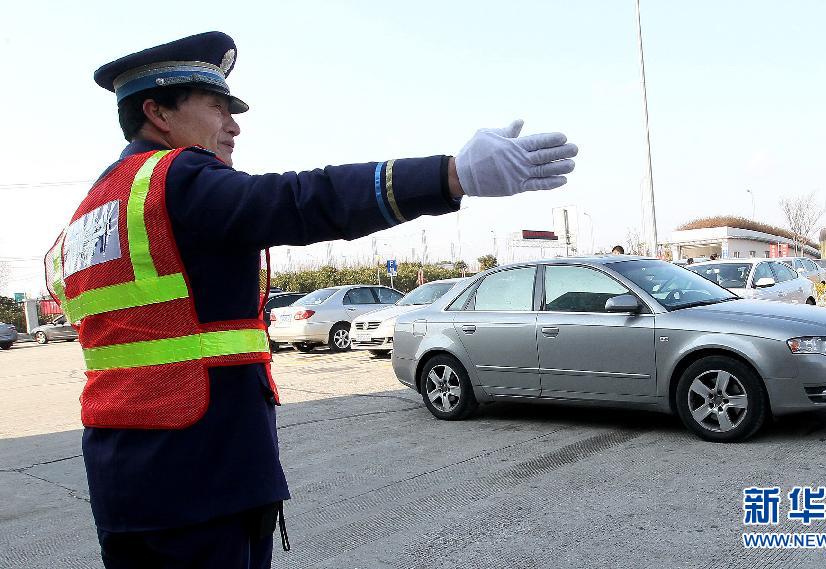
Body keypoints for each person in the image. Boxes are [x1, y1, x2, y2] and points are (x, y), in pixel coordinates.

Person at [44, 32, 577, 568]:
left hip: (123, 476)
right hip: (202, 477)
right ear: (157, 113)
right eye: (216, 107)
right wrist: (449, 176)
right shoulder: (174, 179)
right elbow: (299, 200)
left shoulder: (92, 212)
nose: (233, 125)